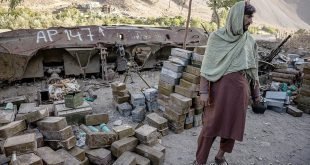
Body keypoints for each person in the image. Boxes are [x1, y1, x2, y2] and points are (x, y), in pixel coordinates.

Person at [194, 1, 260, 165]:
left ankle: (220, 156)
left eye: (252, 17)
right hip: (218, 93)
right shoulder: (216, 37)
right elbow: (206, 66)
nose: (251, 21)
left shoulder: (249, 41)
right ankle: (200, 160)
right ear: (237, 16)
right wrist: (203, 91)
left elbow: (253, 70)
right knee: (209, 127)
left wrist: (256, 95)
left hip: (240, 94)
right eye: (248, 16)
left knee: (232, 128)